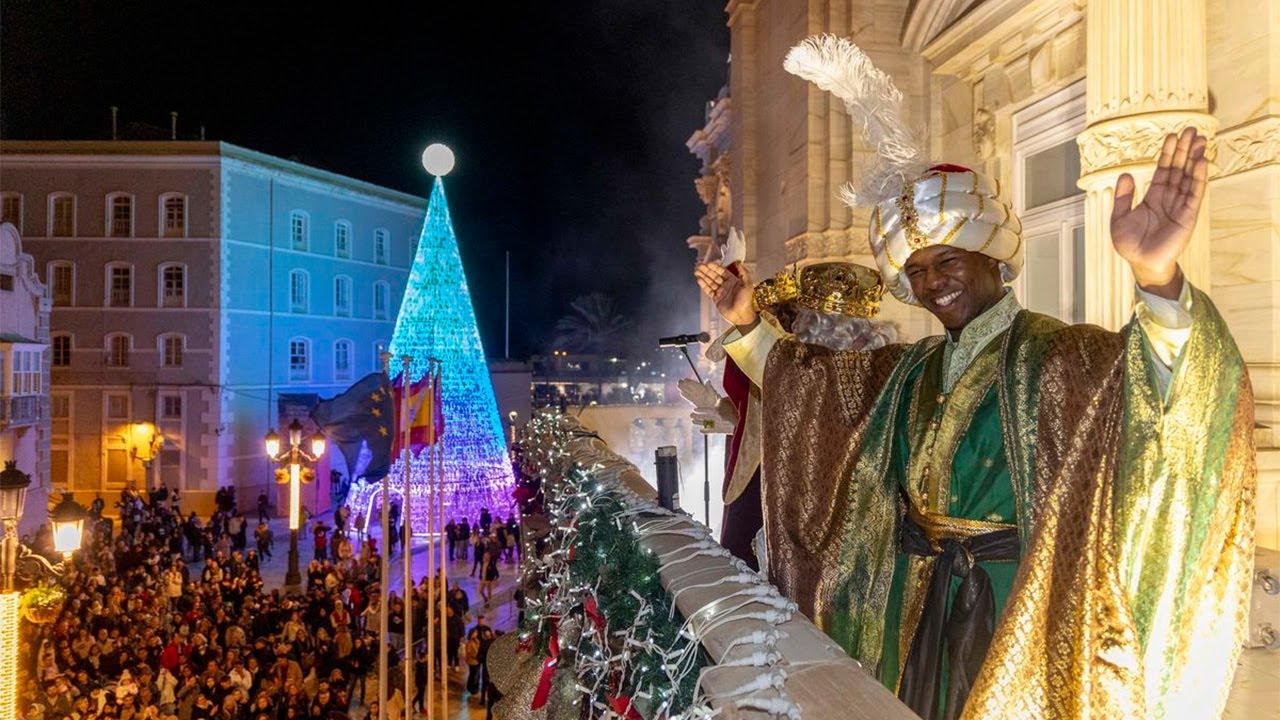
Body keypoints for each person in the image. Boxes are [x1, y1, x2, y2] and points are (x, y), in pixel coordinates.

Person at [692, 36, 1254, 720]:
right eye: (919, 271)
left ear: (994, 258)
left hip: (1015, 606)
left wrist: (1157, 280)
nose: (932, 285)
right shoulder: (913, 369)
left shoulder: (1062, 356)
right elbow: (812, 393)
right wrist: (747, 323)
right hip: (910, 600)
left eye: (949, 262)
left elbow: (1166, 397)